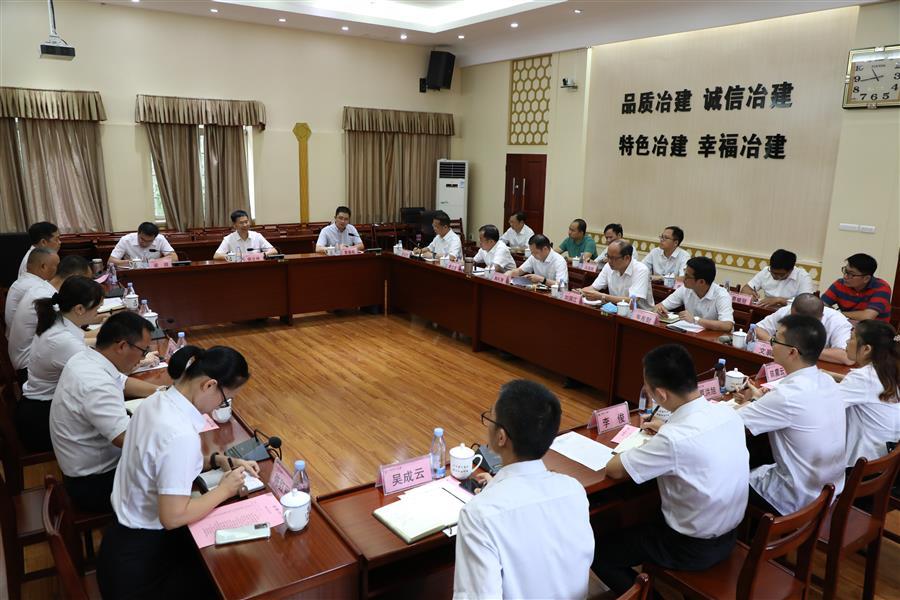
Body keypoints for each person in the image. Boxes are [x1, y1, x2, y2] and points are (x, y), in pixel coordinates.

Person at [98, 345, 259, 599]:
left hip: (120, 544)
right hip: (141, 569)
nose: (220, 406)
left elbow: (160, 461)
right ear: (209, 385)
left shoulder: (157, 401)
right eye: (225, 400)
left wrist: (216, 459)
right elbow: (173, 517)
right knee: (234, 580)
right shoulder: (180, 434)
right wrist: (225, 490)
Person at [593, 344, 748, 595]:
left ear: (661, 395)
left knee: (600, 553)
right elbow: (692, 439)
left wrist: (645, 444)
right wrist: (665, 428)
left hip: (691, 547)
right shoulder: (726, 413)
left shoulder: (674, 439)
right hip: (729, 535)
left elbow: (615, 470)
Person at [453, 380, 593, 599]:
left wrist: (494, 493)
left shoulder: (478, 515)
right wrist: (497, 486)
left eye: (490, 418)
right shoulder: (574, 490)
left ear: (501, 437)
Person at [48, 312, 159, 513]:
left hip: (88, 468)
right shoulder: (96, 383)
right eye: (143, 351)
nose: (143, 357)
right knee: (177, 477)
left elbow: (122, 381)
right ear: (122, 346)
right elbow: (127, 439)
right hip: (96, 483)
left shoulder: (87, 357)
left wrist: (163, 393)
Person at [736, 315, 846, 515]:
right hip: (828, 488)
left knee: (725, 480)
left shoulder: (787, 396)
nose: (771, 343)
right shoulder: (827, 381)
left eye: (775, 339)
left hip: (796, 497)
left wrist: (752, 402)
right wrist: (760, 401)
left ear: (792, 352)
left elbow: (730, 423)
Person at [17, 276, 104, 453]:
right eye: (97, 309)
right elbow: (101, 375)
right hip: (42, 419)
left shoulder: (57, 319)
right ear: (79, 309)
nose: (98, 313)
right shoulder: (62, 340)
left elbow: (82, 345)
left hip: (41, 407)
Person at [8, 255, 92, 373]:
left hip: (36, 357)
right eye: (87, 282)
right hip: (28, 366)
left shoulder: (44, 287)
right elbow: (72, 336)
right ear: (75, 278)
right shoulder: (47, 299)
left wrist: (98, 321)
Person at [839, 320, 900, 467]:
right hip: (884, 464)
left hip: (859, 466)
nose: (847, 342)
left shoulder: (863, 378)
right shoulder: (889, 370)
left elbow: (823, 405)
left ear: (866, 349)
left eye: (852, 338)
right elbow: (870, 389)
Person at [754, 293, 853, 365]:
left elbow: (847, 357)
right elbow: (758, 329)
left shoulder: (837, 322)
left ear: (820, 317)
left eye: (805, 322)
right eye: (795, 319)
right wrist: (776, 344)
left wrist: (801, 350)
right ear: (791, 311)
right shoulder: (786, 311)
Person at [655, 256, 734, 332]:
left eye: (687, 276)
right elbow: (659, 306)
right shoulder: (685, 289)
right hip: (691, 334)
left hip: (713, 337)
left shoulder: (722, 295)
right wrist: (660, 310)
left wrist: (695, 320)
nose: (683, 279)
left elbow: (727, 325)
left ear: (701, 282)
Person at [580, 240, 654, 310]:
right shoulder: (608, 266)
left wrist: (602, 296)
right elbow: (593, 288)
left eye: (613, 258)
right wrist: (580, 292)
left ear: (627, 258)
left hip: (640, 314)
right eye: (608, 256)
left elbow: (632, 300)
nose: (609, 261)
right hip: (615, 310)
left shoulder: (641, 270)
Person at [821, 253, 892, 322]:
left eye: (851, 274)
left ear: (866, 278)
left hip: (872, 328)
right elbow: (822, 305)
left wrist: (837, 313)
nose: (845, 276)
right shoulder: (840, 284)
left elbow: (867, 316)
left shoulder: (882, 288)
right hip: (847, 325)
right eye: (845, 271)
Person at [5, 247, 59, 333]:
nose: (58, 270)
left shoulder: (23, 281)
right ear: (43, 266)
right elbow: (60, 320)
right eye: (57, 266)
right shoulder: (36, 288)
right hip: (28, 339)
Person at [740, 249, 815, 308]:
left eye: (781, 275)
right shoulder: (766, 271)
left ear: (791, 270)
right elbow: (745, 289)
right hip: (766, 312)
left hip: (790, 316)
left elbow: (806, 303)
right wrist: (750, 294)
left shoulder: (803, 277)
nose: (776, 276)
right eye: (773, 273)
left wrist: (780, 300)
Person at [213, 210, 277, 260]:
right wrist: (237, 257)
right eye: (241, 223)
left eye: (246, 222)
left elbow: (274, 251)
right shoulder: (228, 239)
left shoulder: (257, 236)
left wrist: (261, 255)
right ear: (234, 225)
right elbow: (216, 256)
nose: (245, 225)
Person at [108, 222, 178, 267]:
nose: (145, 243)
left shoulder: (160, 239)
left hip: (154, 273)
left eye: (149, 241)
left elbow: (174, 258)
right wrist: (131, 263)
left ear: (154, 238)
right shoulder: (126, 240)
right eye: (142, 239)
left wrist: (152, 263)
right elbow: (111, 261)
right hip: (132, 274)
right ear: (138, 233)